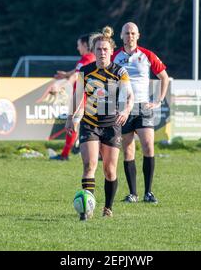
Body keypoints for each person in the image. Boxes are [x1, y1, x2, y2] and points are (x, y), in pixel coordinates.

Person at [66, 26, 134, 220]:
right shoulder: (84, 71)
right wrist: (71, 117)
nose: (102, 52)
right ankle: (87, 209)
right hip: (90, 123)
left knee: (110, 169)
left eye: (105, 49)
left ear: (112, 51)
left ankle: (108, 207)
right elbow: (77, 96)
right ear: (93, 51)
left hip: (112, 124)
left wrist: (127, 110)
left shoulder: (120, 72)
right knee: (89, 165)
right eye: (98, 49)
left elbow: (129, 96)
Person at [112, 22, 169, 204]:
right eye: (127, 33)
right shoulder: (115, 56)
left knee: (148, 146)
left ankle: (149, 192)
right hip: (123, 109)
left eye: (133, 33)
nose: (130, 36)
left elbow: (164, 77)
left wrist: (158, 100)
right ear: (121, 36)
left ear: (138, 35)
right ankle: (133, 193)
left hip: (143, 108)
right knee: (128, 150)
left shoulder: (147, 55)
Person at [50, 33, 96, 161]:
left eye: (79, 45)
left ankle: (65, 154)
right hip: (88, 97)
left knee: (72, 125)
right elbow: (75, 71)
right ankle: (86, 150)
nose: (78, 48)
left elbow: (77, 75)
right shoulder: (90, 58)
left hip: (82, 97)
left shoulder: (87, 59)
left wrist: (62, 86)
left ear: (86, 45)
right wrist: (65, 75)